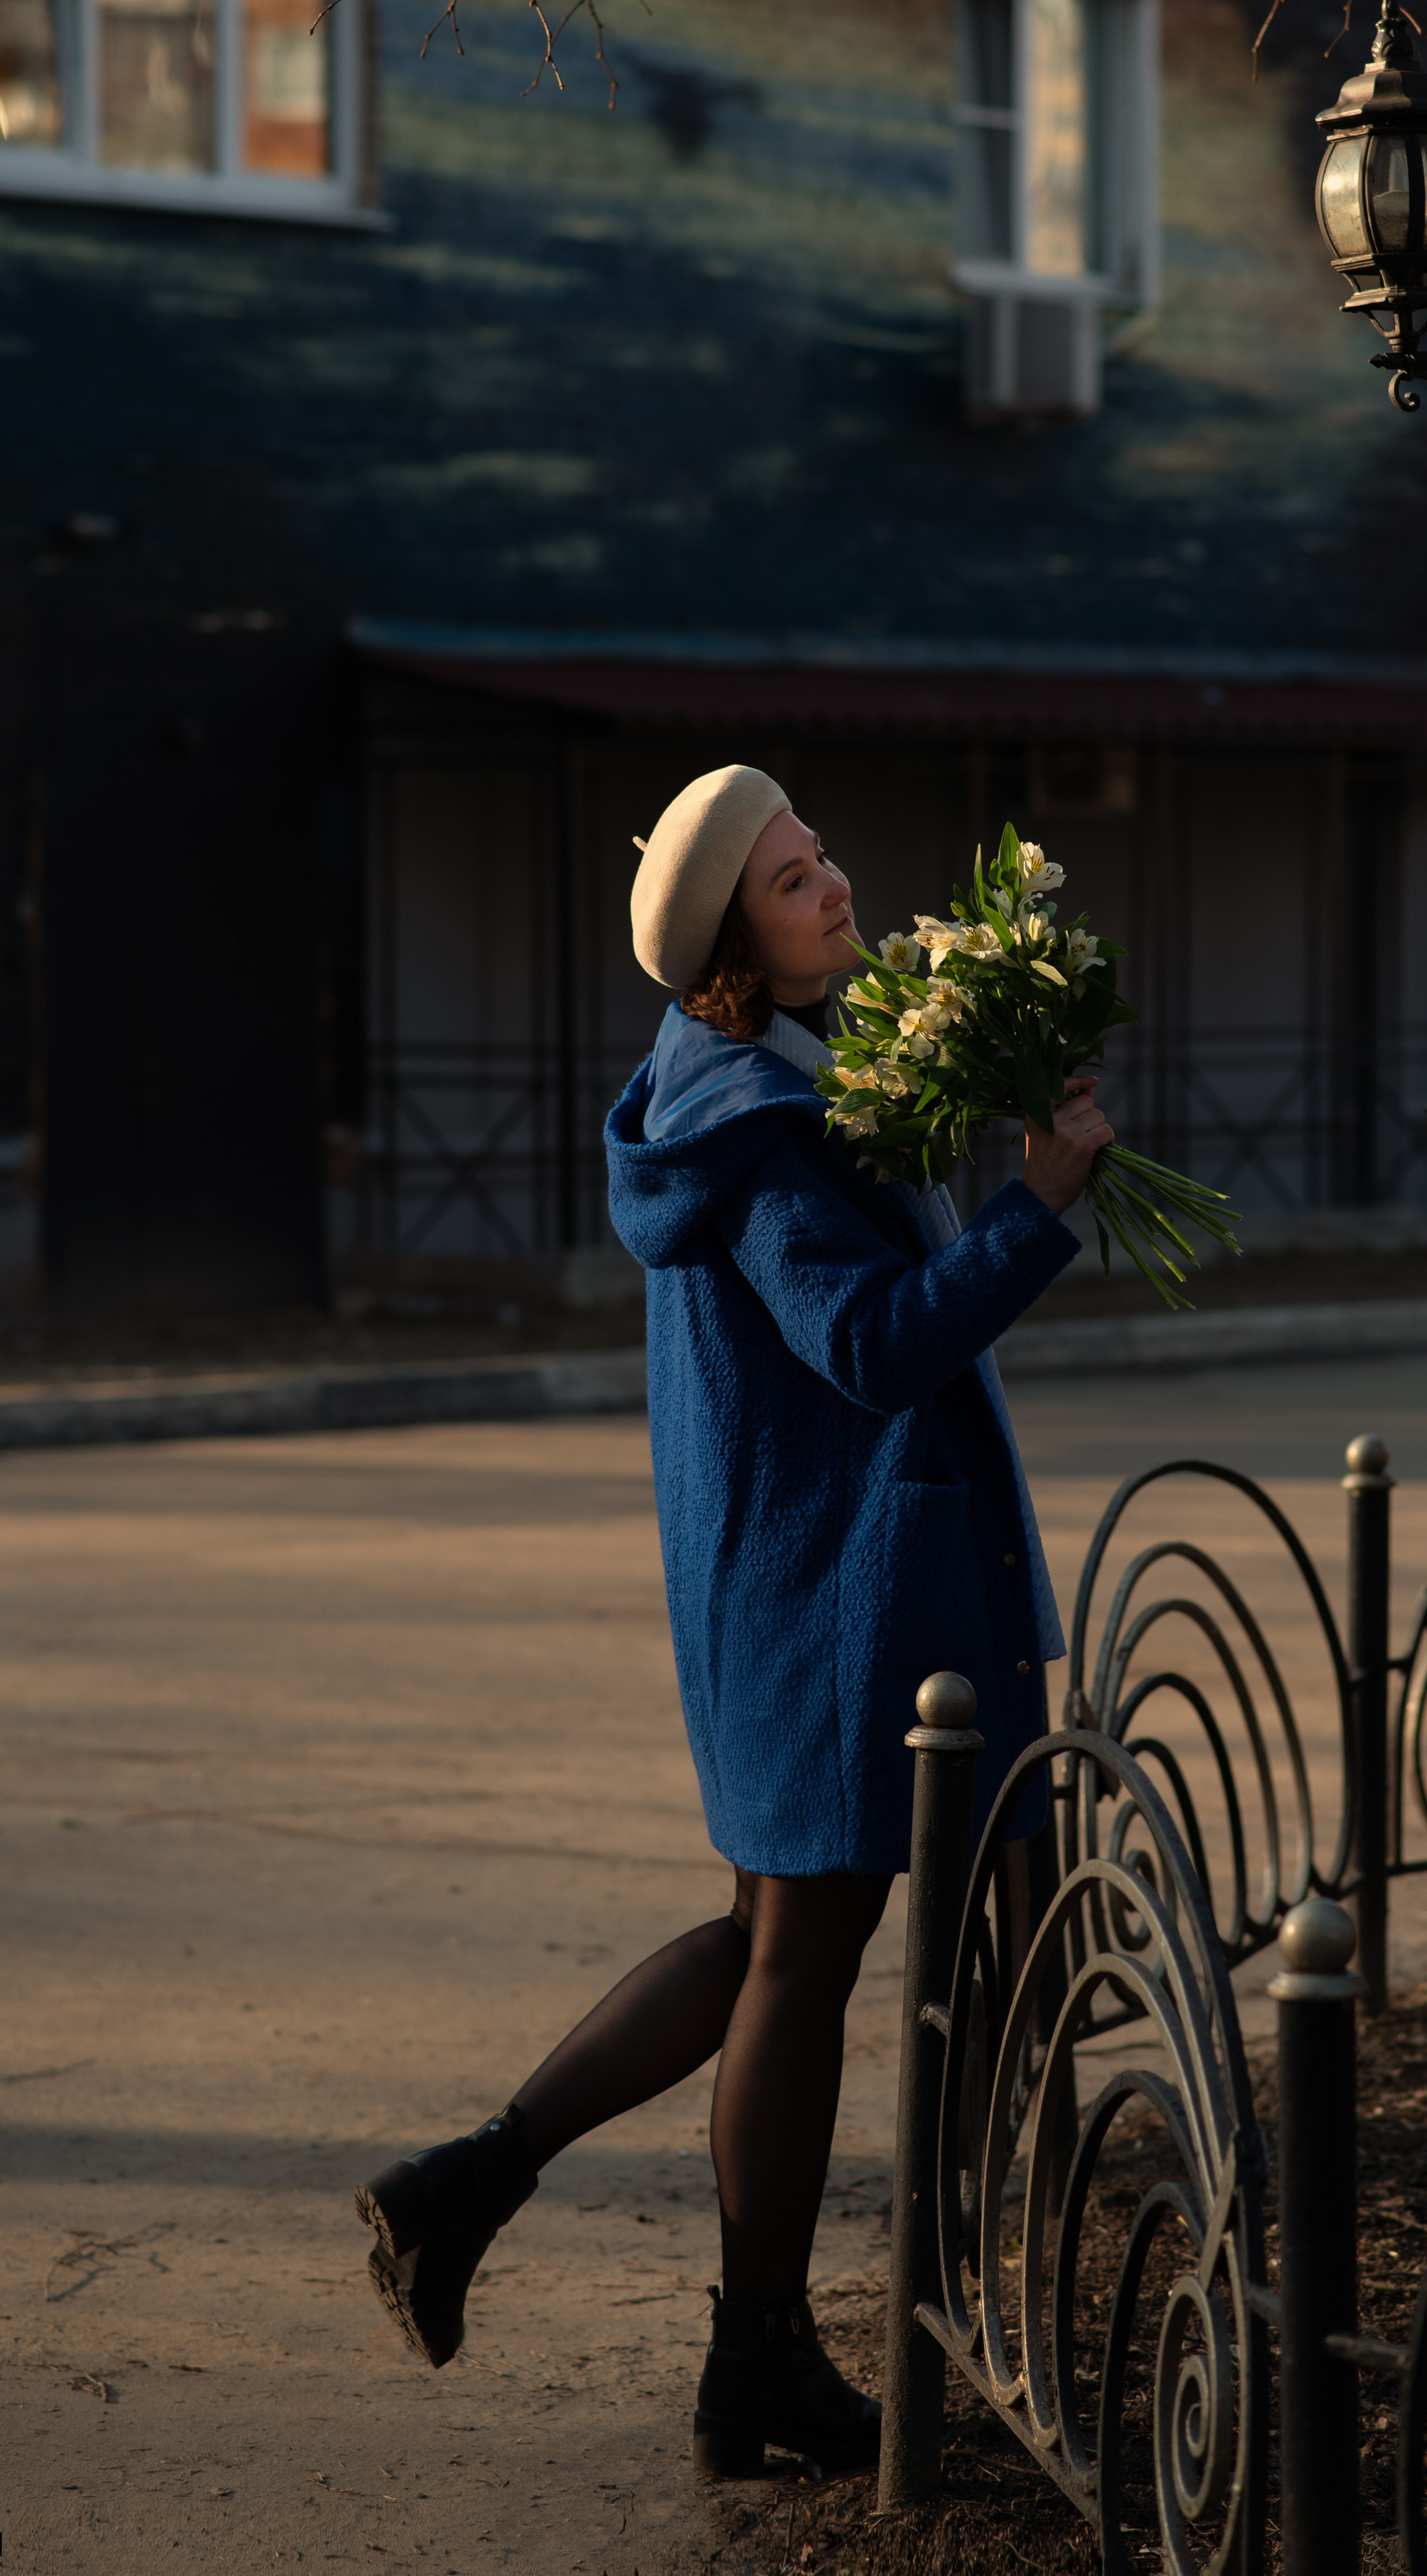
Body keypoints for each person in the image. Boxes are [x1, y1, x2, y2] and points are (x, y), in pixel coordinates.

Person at [355, 763, 1112, 2479]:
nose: (833, 885)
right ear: (726, 949)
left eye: (821, 852)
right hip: (830, 1595)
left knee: (778, 1935)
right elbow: (867, 1344)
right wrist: (1034, 1210)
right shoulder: (754, 1127)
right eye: (791, 880)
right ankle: (758, 2353)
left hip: (804, 1574)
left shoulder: (774, 1074)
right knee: (801, 1950)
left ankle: (470, 2188)